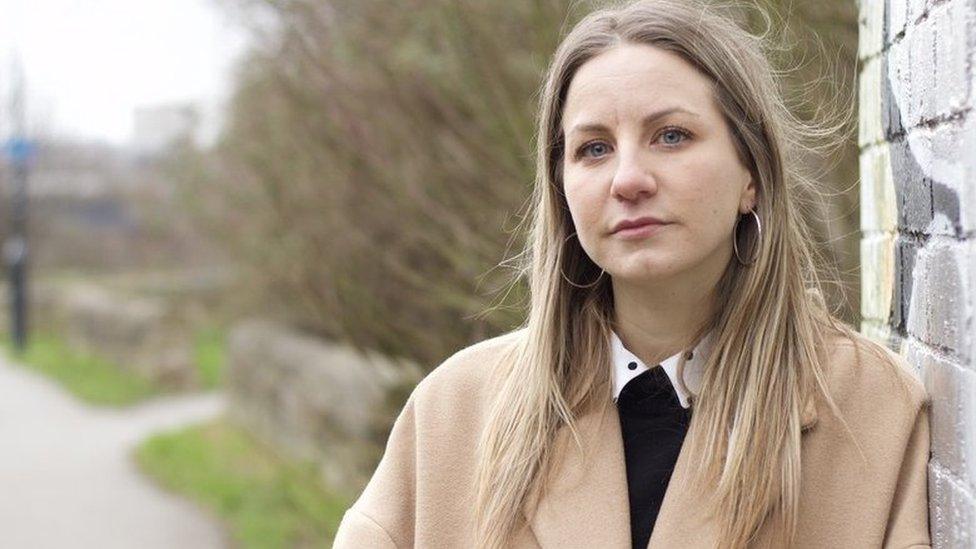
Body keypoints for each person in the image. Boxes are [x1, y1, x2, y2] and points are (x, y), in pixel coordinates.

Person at [333, 0, 932, 547]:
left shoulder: (869, 408)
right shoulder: (453, 412)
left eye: (671, 136)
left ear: (751, 173)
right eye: (593, 148)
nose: (628, 179)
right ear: (562, 187)